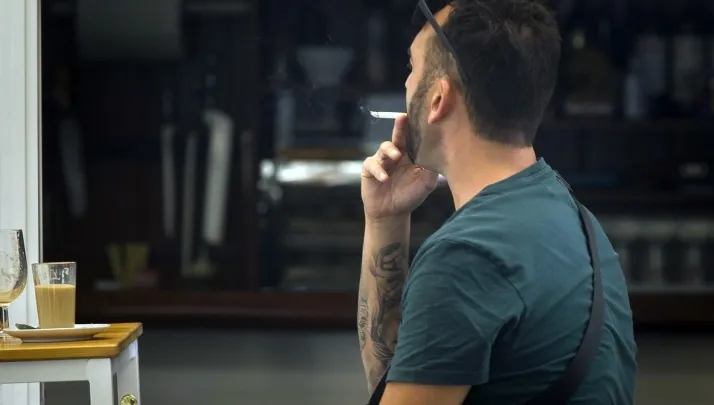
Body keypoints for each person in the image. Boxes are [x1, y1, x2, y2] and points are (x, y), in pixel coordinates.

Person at [357, 1, 638, 404]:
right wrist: (385, 219)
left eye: (412, 68)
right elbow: (397, 378)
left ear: (437, 99)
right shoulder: (573, 218)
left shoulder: (468, 255)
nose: (406, 84)